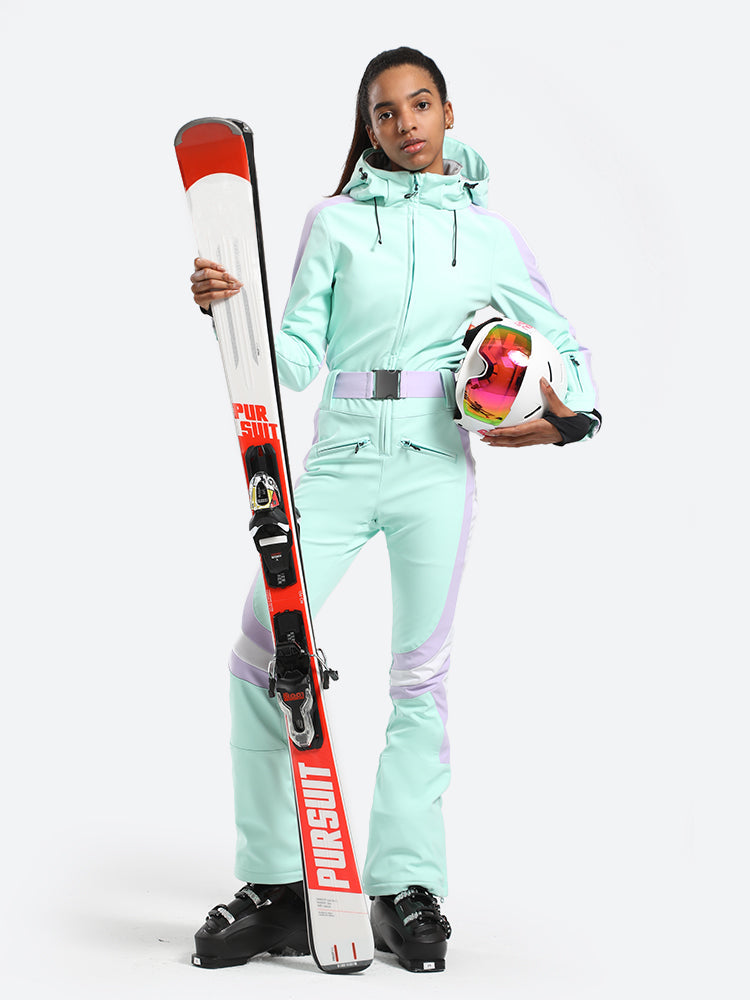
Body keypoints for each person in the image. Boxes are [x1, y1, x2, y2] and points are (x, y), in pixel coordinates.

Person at [188, 46, 600, 974]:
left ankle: (404, 886)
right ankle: (277, 886)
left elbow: (562, 342)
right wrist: (232, 309)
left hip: (434, 464)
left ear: (448, 114)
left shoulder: (487, 234)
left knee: (421, 678)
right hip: (337, 458)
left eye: (420, 105)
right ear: (367, 127)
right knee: (260, 648)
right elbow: (296, 356)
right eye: (385, 111)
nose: (405, 122)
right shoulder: (332, 221)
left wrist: (573, 418)